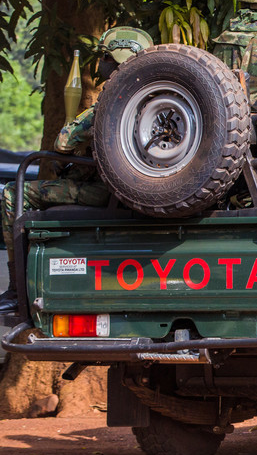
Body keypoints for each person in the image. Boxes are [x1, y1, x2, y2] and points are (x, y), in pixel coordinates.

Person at [0, 27, 152, 313]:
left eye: (105, 58)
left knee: (11, 193)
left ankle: (17, 289)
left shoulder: (113, 100)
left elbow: (63, 141)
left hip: (102, 193)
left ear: (112, 62)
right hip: (146, 193)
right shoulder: (165, 97)